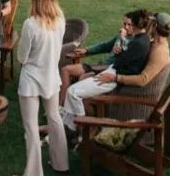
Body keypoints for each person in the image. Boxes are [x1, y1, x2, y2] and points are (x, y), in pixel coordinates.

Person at [12, 0, 69, 176]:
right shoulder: (61, 20)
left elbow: (21, 57)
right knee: (54, 118)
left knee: (31, 126)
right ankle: (61, 163)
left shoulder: (31, 24)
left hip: (31, 80)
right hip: (51, 77)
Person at [61, 9, 153, 137]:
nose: (126, 26)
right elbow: (119, 54)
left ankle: (82, 130)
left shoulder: (140, 43)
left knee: (73, 92)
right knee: (73, 92)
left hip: (112, 77)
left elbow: (120, 60)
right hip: (111, 71)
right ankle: (67, 128)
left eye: (129, 24)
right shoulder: (140, 39)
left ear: (136, 24)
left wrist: (119, 50)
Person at [58, 15, 132, 106]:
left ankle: (78, 111)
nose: (126, 27)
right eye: (125, 24)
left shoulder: (133, 42)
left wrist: (122, 38)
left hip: (107, 70)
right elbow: (105, 46)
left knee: (82, 78)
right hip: (98, 65)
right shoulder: (121, 36)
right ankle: (62, 105)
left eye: (129, 25)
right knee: (65, 70)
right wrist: (87, 50)